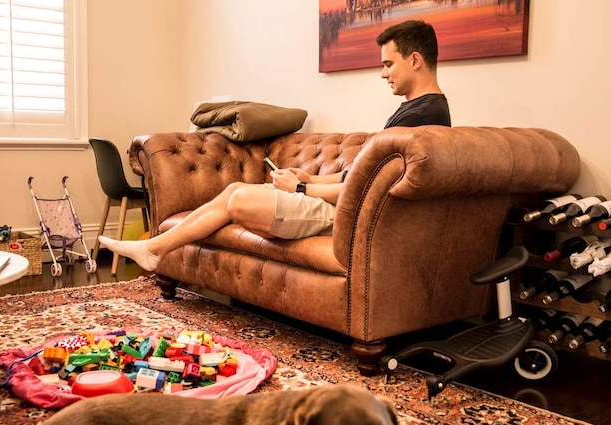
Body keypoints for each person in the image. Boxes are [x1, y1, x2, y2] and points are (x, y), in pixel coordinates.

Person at [98, 19, 450, 272]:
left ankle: (153, 250)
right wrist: (307, 179)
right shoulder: (417, 111)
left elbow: (365, 191)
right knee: (236, 186)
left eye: (389, 64)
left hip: (342, 217)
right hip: (339, 204)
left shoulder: (423, 119)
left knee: (239, 197)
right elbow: (355, 176)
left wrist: (300, 187)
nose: (384, 73)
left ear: (415, 60)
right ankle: (154, 249)